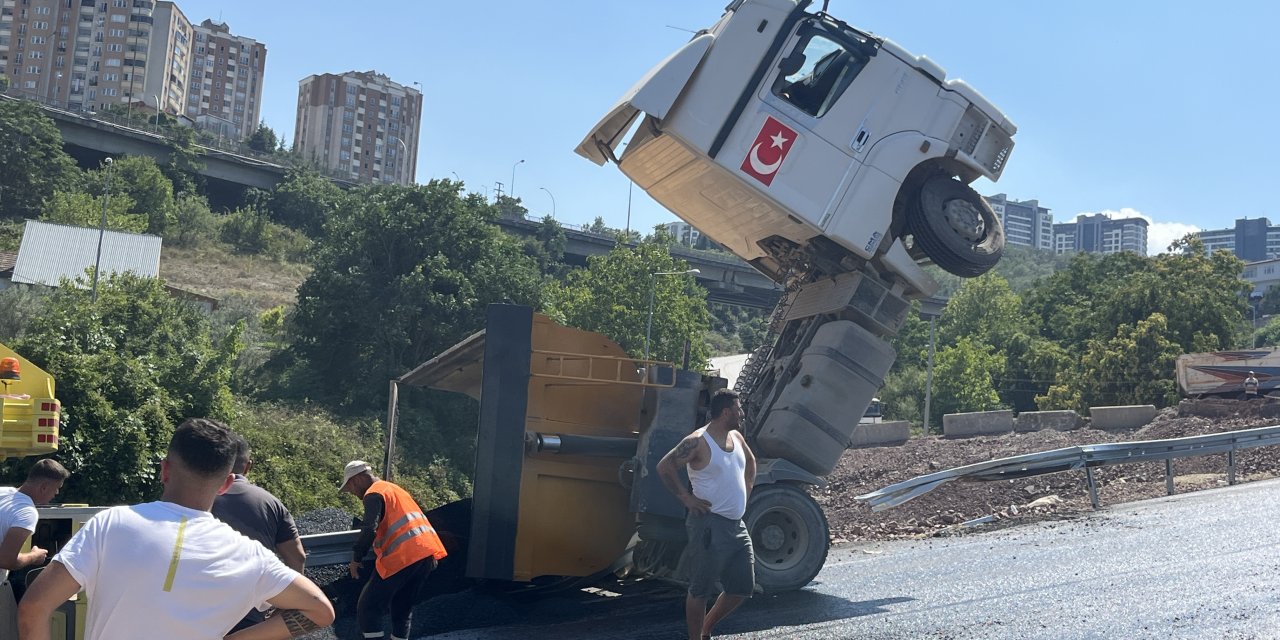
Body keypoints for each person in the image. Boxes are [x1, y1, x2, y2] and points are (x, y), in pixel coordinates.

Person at [17, 418, 334, 640]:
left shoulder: (110, 525)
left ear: (164, 469)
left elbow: (34, 607)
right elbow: (320, 611)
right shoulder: (251, 556)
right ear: (225, 484)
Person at [656, 388, 758, 640]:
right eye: (738, 409)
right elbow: (665, 466)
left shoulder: (736, 436)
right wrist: (686, 497)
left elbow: (751, 462)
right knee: (700, 589)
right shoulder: (698, 441)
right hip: (709, 526)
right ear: (726, 412)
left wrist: (746, 490)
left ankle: (705, 630)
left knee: (743, 587)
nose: (742, 413)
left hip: (736, 525)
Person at [340, 460, 448, 640]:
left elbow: (369, 528)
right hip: (426, 555)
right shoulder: (394, 489)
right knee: (402, 609)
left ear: (357, 479)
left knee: (368, 607)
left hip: (403, 556)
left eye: (350, 488)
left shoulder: (373, 494)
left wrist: (356, 558)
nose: (352, 493)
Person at [212, 433, 308, 633]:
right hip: (251, 615)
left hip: (202, 612)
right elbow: (297, 557)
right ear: (248, 466)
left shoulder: (199, 498)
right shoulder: (272, 503)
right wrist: (284, 606)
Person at [0, 459, 68, 638]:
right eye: (56, 488)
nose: (56, 493)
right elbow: (5, 560)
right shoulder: (27, 512)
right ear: (44, 487)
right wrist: (33, 556)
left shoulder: (3, 492)